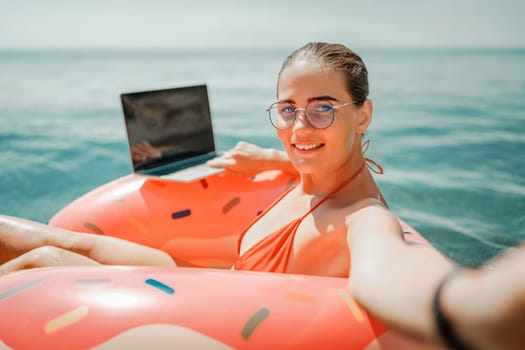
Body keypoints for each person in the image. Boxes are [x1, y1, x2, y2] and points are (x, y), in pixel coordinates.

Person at [0, 42, 523, 349]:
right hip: (200, 275)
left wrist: (466, 304)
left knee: (44, 259)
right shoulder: (310, 170)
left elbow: (392, 267)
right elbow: (307, 156)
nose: (298, 127)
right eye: (287, 108)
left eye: (323, 108)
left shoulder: (362, 219)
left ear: (364, 114)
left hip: (209, 301)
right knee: (44, 239)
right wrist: (268, 159)